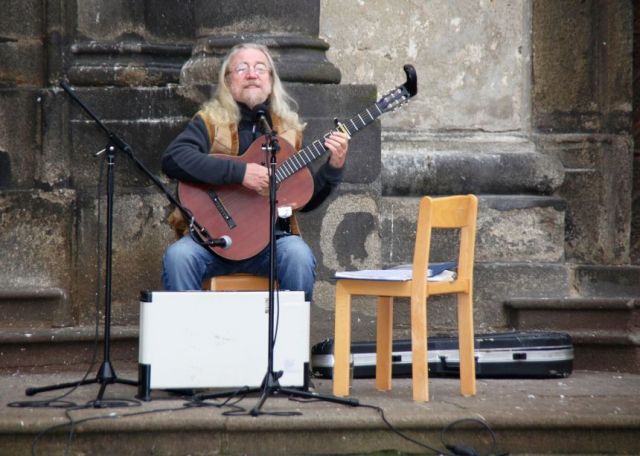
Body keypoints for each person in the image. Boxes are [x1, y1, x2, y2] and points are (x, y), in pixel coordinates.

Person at [161, 42, 349, 302]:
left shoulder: (288, 131)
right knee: (179, 257)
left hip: (271, 245)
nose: (252, 74)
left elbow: (305, 199)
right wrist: (240, 173)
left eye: (261, 68)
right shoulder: (209, 122)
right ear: (228, 81)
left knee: (298, 255)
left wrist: (334, 167)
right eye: (242, 68)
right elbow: (173, 159)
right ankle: (193, 341)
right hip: (212, 244)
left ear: (271, 81)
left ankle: (287, 342)